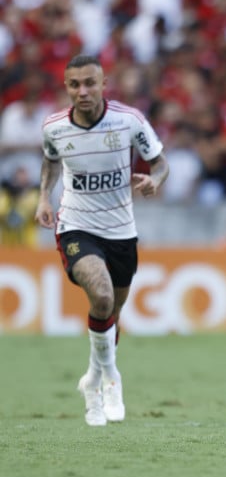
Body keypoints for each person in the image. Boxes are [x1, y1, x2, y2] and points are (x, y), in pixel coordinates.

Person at [34, 54, 169, 427]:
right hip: (76, 226)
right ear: (67, 88)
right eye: (75, 85)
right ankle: (111, 380)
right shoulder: (54, 126)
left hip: (122, 231)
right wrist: (44, 196)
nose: (83, 91)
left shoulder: (129, 121)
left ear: (103, 84)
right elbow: (50, 159)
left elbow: (159, 162)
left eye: (89, 83)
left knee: (111, 315)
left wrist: (155, 180)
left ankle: (92, 377)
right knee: (103, 296)